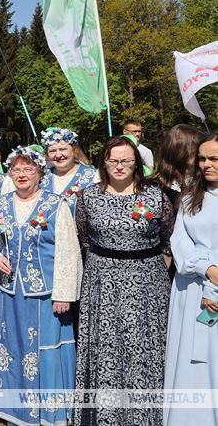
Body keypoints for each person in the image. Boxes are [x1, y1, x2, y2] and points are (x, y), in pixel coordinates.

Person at [73, 135, 174, 426]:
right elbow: (85, 239)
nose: (119, 166)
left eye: (126, 161)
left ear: (136, 163)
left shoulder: (155, 196)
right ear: (103, 163)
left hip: (147, 284)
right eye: (113, 160)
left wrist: (155, 266)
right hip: (103, 283)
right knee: (107, 347)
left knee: (143, 346)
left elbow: (168, 237)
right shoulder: (88, 197)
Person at [0, 146, 81, 426]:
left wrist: (63, 293)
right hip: (10, 292)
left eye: (28, 169)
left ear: (40, 172)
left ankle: (49, 412)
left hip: (46, 294)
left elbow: (68, 251)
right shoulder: (0, 203)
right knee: (13, 347)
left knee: (45, 350)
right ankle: (14, 409)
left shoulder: (56, 204)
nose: (22, 174)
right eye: (16, 169)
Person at [164, 133, 218, 425]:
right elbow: (180, 244)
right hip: (190, 289)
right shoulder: (189, 198)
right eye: (203, 158)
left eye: (214, 158)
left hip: (213, 290)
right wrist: (207, 268)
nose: (206, 164)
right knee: (189, 361)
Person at [40, 127, 99, 213]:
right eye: (52, 151)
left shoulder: (95, 176)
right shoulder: (41, 177)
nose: (58, 155)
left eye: (63, 149)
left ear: (74, 150)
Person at [152, 124, 205, 208]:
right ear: (181, 150)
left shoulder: (202, 182)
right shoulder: (154, 187)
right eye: (196, 147)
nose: (201, 152)